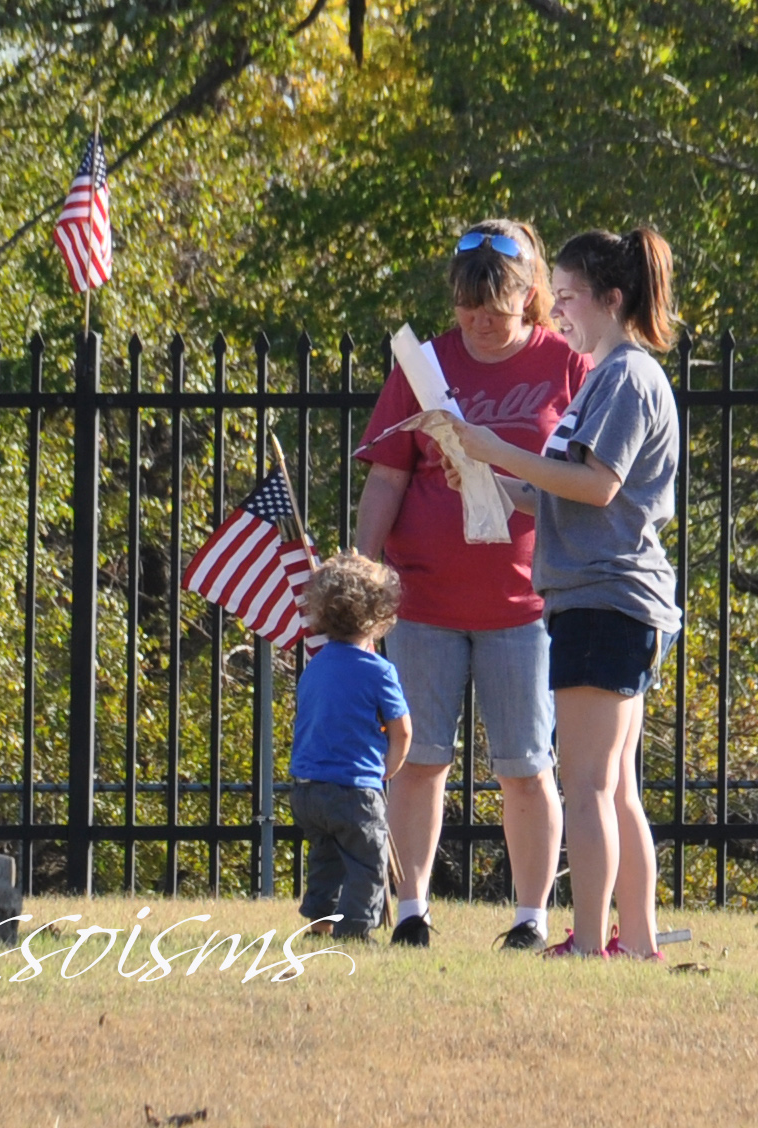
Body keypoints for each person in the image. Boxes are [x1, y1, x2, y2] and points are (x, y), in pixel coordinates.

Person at [355, 218, 590, 949]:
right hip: (423, 601)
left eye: (495, 308)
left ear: (530, 294)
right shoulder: (423, 366)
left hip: (525, 604)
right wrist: (363, 574)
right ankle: (411, 910)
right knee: (418, 760)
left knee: (525, 767)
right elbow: (388, 477)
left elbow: (589, 480)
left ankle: (529, 919)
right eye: (467, 308)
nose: (480, 323)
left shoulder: (567, 365)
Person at [448, 226, 682, 958]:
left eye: (570, 298)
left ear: (612, 299)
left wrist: (499, 449)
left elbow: (599, 484)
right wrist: (490, 478)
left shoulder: (627, 377)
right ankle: (635, 943)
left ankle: (587, 944)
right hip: (606, 596)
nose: (557, 314)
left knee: (585, 787)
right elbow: (562, 494)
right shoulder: (609, 377)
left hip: (605, 597)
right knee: (613, 788)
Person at [290, 550, 412, 941]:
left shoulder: (315, 666)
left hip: (308, 789)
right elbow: (402, 731)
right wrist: (387, 769)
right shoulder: (379, 671)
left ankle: (320, 922)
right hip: (354, 788)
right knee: (367, 861)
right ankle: (355, 929)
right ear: (379, 614)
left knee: (325, 859)